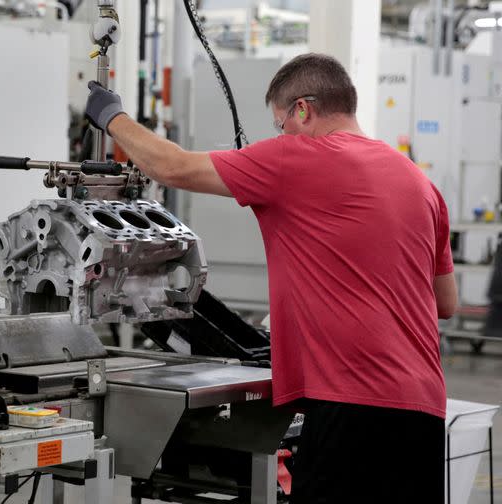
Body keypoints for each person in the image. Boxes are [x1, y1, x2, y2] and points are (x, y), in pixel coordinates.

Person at [84, 53, 456, 504]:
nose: (281, 135)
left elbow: (172, 166)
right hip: (424, 409)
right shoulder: (420, 182)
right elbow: (446, 303)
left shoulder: (299, 156)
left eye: (281, 124)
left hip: (350, 404)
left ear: (303, 110)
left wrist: (111, 116)